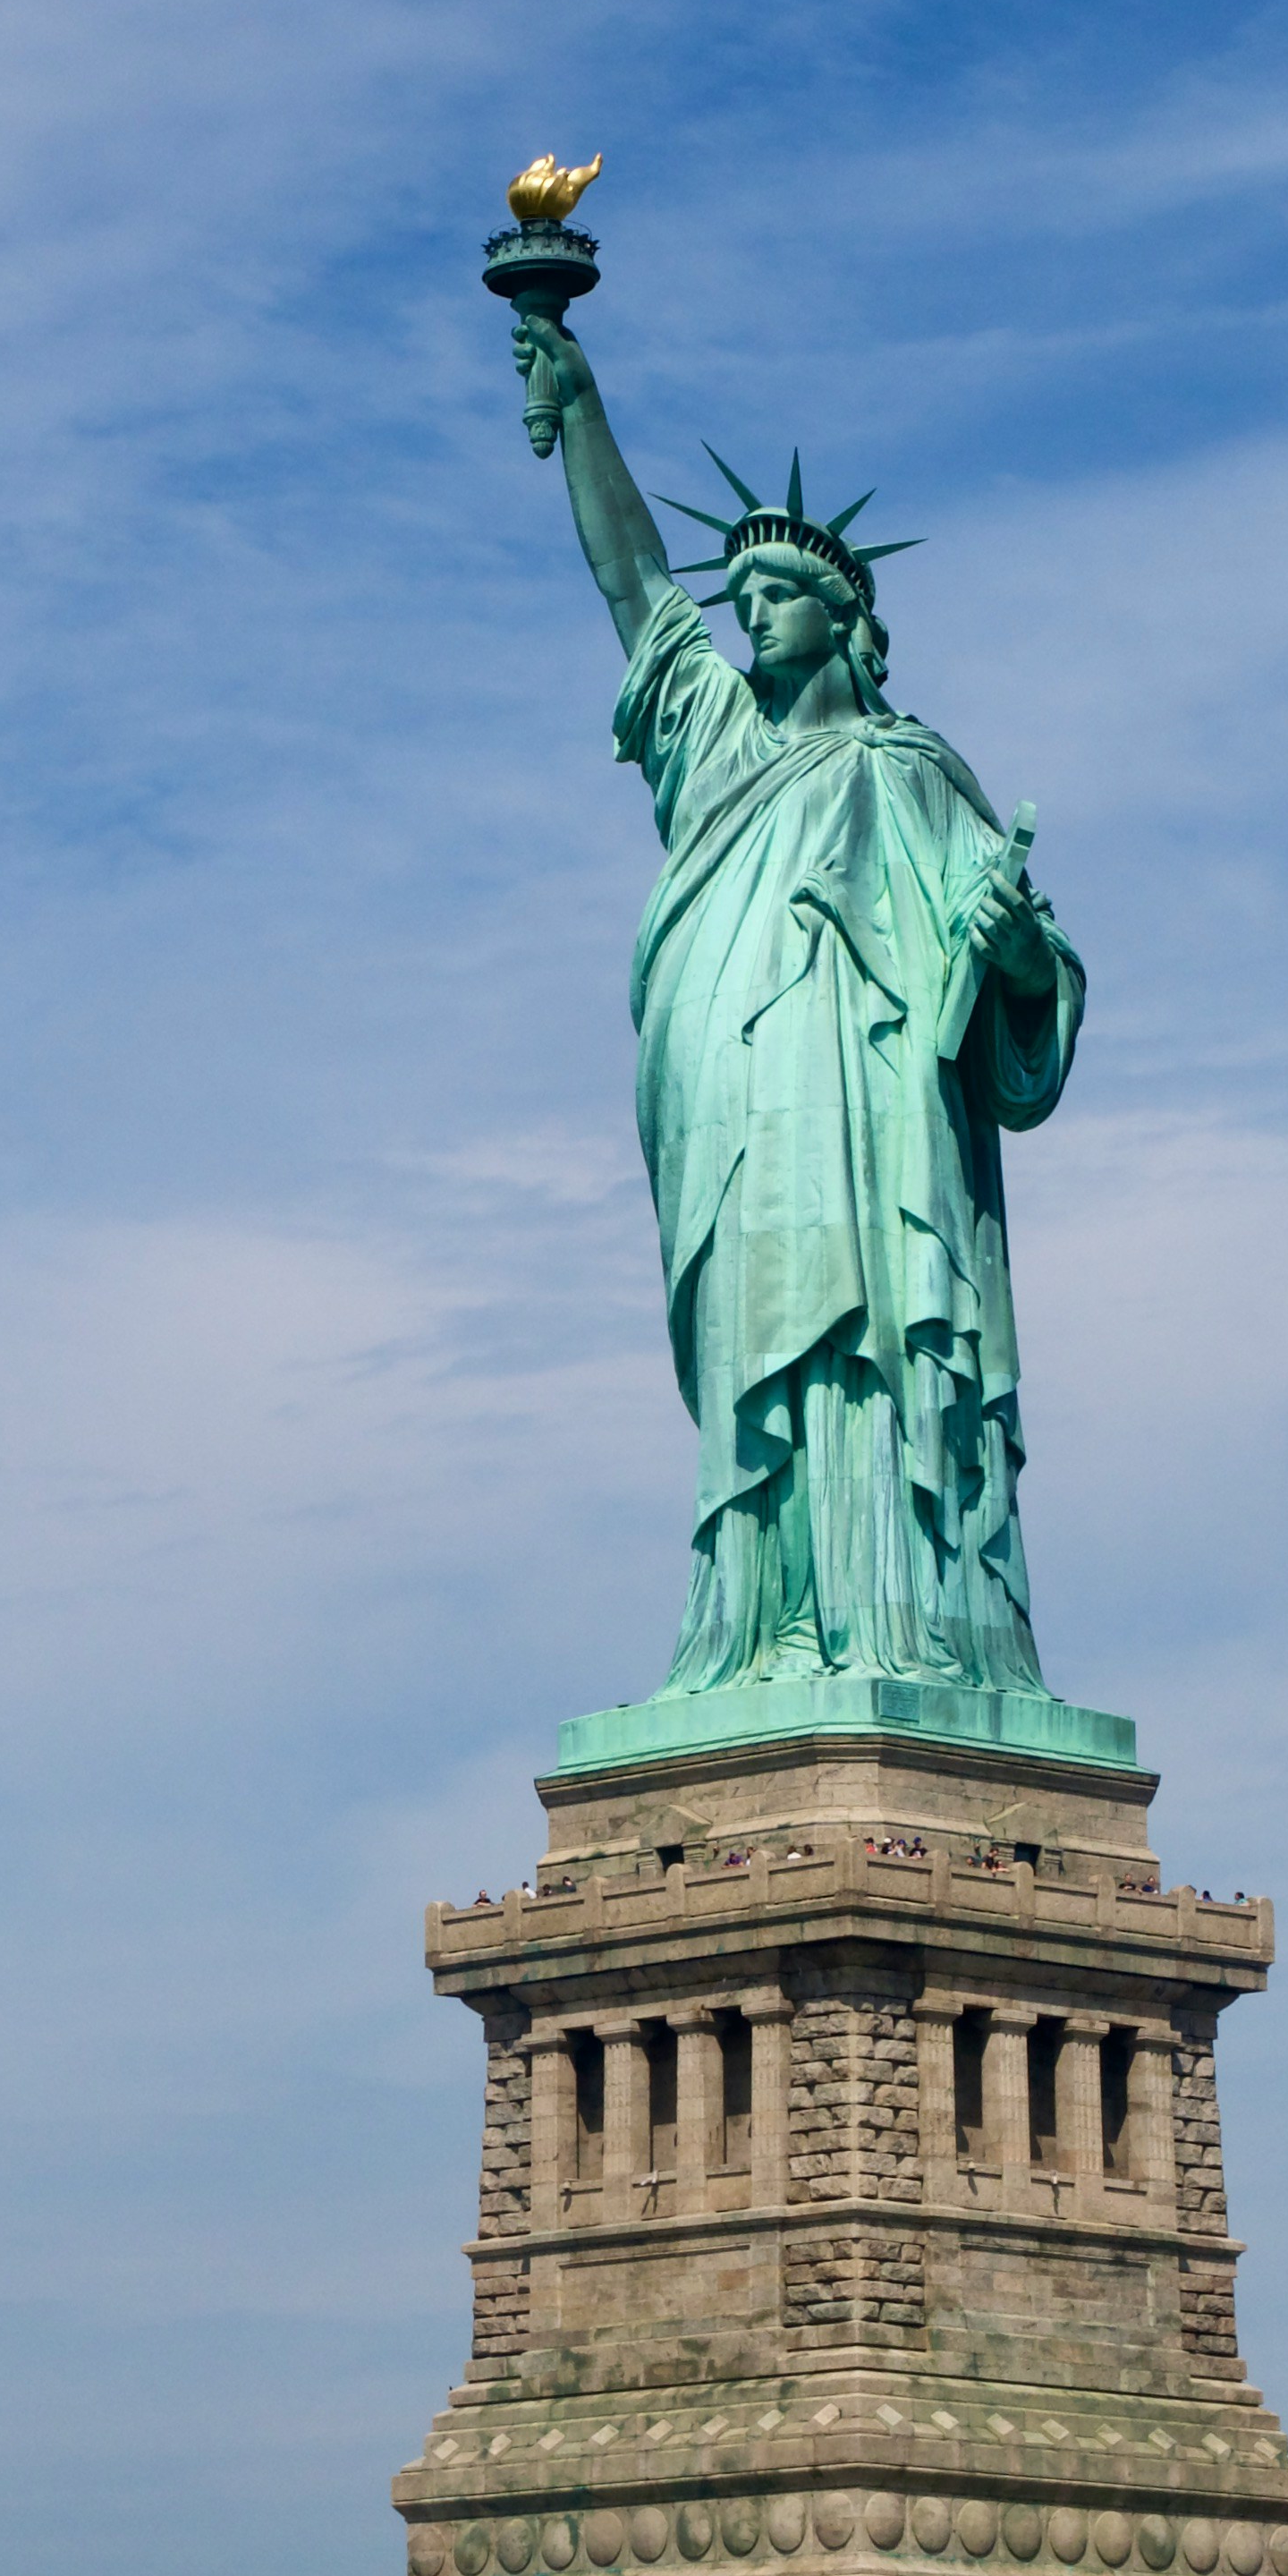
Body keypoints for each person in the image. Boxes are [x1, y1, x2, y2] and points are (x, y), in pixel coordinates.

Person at [509, 305, 1082, 1700]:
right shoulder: (713, 747)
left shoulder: (911, 773)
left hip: (883, 1141)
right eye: (744, 589)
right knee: (760, 1352)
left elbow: (1028, 998)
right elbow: (633, 583)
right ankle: (760, 1633)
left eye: (777, 589)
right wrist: (579, 402)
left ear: (849, 618)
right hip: (742, 1123)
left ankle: (902, 1628)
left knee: (874, 1355)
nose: (748, 605)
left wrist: (1007, 951)